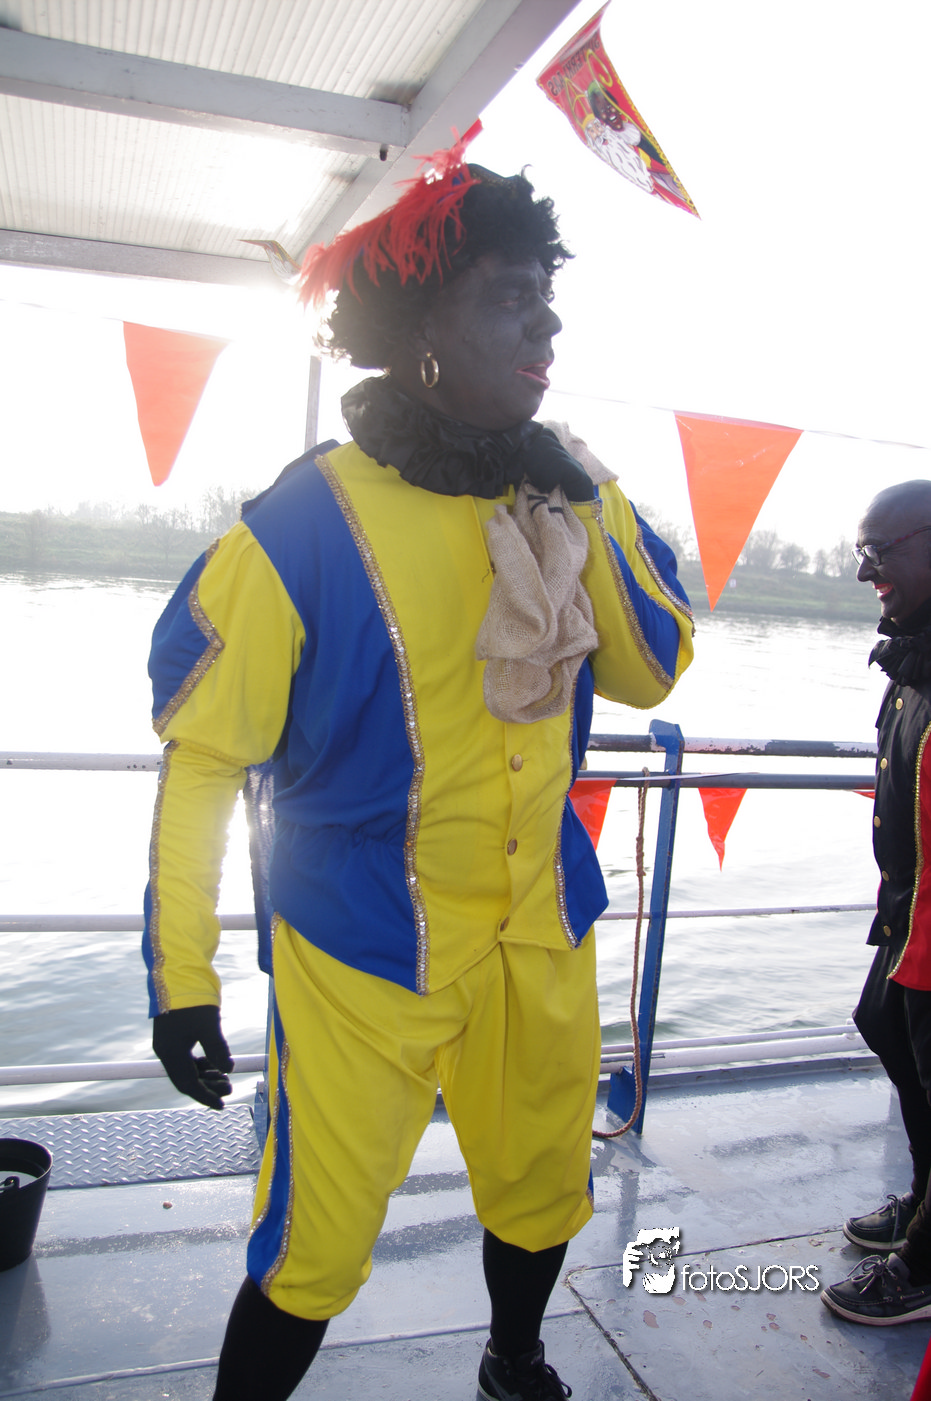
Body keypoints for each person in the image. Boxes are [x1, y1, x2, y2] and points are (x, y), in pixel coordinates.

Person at [143, 138, 695, 1400]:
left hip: (538, 925)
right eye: (510, 295)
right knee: (315, 1244)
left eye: (548, 296)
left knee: (543, 1185)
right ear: (423, 326)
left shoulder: (561, 495)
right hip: (359, 945)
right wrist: (183, 980)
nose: (546, 322)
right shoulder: (297, 527)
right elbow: (202, 764)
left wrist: (592, 493)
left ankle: (513, 1359)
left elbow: (651, 669)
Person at [822, 480, 931, 1326]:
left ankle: (925, 1262)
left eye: (879, 551)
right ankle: (925, 1193)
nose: (865, 572)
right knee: (883, 1027)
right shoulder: (912, 652)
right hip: (905, 901)